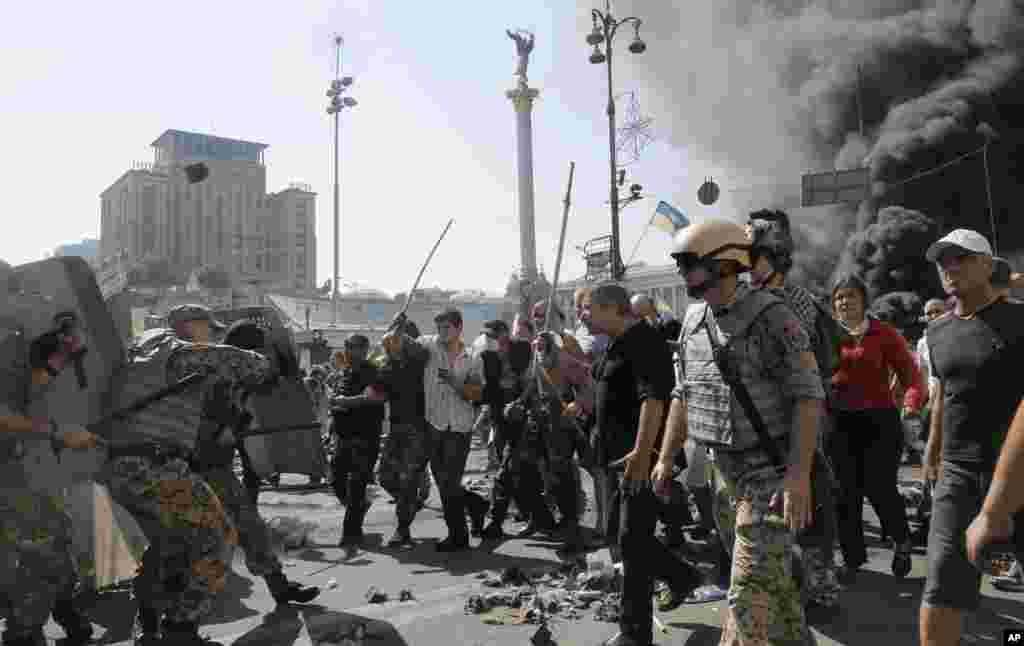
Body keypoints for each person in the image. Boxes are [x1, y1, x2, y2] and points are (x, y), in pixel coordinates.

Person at [656, 219, 822, 646]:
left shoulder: (773, 318)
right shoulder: (693, 321)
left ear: (726, 263)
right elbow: (683, 393)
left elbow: (808, 396)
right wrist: (663, 458)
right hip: (722, 478)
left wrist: (798, 475)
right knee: (774, 588)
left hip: (768, 477)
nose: (685, 275)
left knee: (747, 595)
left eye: (692, 264)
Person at [101, 303, 273, 646]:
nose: (212, 333)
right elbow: (235, 362)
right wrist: (262, 362)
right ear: (189, 326)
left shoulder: (142, 353)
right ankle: (180, 629)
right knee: (220, 537)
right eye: (208, 327)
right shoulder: (175, 351)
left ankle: (151, 626)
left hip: (122, 466)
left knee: (171, 546)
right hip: (154, 464)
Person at [918, 229, 1024, 646]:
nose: (949, 267)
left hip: (1017, 471)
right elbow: (945, 393)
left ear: (986, 264)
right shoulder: (937, 332)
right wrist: (932, 449)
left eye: (960, 257)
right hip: (958, 474)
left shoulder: (1019, 320)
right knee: (942, 585)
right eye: (943, 260)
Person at [586, 283, 704, 646]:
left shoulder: (644, 341)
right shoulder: (616, 343)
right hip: (619, 461)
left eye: (590, 308)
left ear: (612, 308)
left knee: (632, 541)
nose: (584, 315)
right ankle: (682, 576)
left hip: (640, 461)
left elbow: (654, 400)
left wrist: (642, 454)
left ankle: (634, 633)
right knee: (629, 539)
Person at [748, 208, 843, 615]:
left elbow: (805, 369)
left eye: (755, 259)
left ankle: (821, 576)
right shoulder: (741, 303)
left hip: (797, 416)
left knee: (812, 492)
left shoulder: (796, 302)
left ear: (777, 260)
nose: (745, 268)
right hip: (753, 425)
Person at [0, 289, 104, 646]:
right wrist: (59, 432)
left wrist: (54, 360)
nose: (24, 299)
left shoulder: (14, 344)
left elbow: (29, 391)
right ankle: (24, 633)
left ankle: (61, 609)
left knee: (52, 539)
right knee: (46, 547)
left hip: (20, 469)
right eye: (13, 289)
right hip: (9, 472)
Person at [192, 319, 320, 605]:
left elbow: (276, 378)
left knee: (250, 527)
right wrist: (231, 426)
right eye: (262, 351)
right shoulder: (217, 378)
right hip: (198, 465)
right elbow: (215, 430)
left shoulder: (233, 375)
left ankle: (280, 588)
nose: (265, 359)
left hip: (214, 465)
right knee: (198, 540)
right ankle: (169, 623)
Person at [829, 274, 922, 582]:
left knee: (880, 488)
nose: (844, 302)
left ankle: (901, 541)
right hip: (839, 424)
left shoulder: (884, 334)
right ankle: (853, 559)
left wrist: (910, 405)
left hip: (880, 422)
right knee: (845, 493)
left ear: (863, 301)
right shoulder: (825, 335)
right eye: (839, 297)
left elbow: (911, 376)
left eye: (851, 296)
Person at [404, 308, 488, 552]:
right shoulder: (428, 346)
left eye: (446, 328)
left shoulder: (472, 356)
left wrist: (454, 381)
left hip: (459, 427)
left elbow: (476, 393)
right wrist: (397, 327)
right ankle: (475, 503)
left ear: (459, 328)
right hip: (434, 424)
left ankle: (458, 536)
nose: (441, 333)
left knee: (449, 483)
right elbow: (395, 344)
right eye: (439, 327)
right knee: (444, 482)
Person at [374, 320, 433, 547]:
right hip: (397, 427)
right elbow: (379, 387)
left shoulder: (420, 362)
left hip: (418, 428)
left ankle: (403, 528)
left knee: (408, 479)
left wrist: (401, 336)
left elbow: (421, 351)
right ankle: (408, 503)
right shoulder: (390, 365)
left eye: (399, 341)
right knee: (385, 477)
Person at [326, 334, 387, 546]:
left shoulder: (374, 372)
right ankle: (359, 507)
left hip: (365, 436)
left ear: (365, 349)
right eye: (349, 347)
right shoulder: (345, 372)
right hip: (343, 436)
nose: (353, 352)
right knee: (336, 480)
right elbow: (338, 397)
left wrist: (347, 402)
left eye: (357, 348)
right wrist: (334, 405)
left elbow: (376, 396)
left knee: (357, 484)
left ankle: (351, 533)